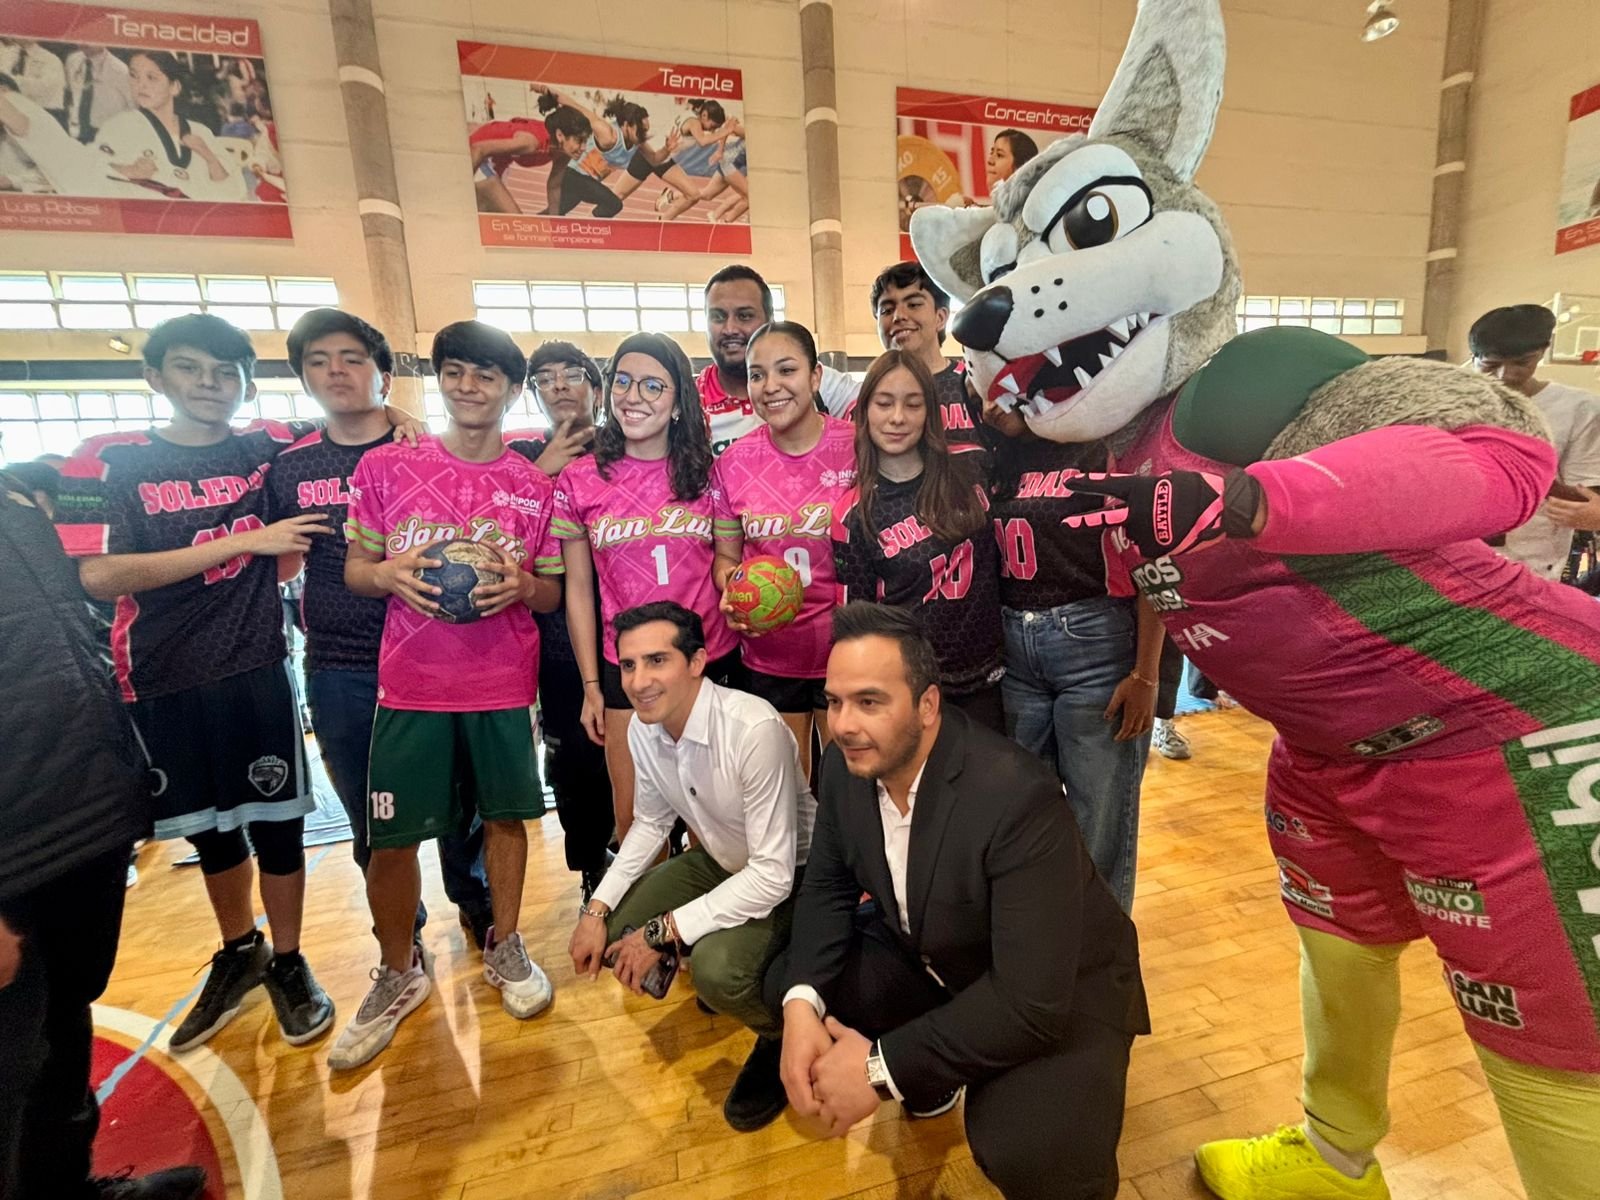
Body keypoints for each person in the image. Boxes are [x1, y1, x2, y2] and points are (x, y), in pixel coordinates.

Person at [53, 314, 360, 1054]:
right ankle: (239, 947)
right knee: (211, 830)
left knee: (278, 825)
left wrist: (410, 418)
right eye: (190, 368)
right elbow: (98, 575)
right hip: (159, 675)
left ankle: (289, 959)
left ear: (246, 383)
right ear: (154, 376)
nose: (210, 385)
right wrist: (248, 538)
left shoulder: (265, 445)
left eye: (226, 373)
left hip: (255, 666)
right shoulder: (102, 460)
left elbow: (356, 422)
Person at [772, 603, 1149, 1200]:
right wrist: (800, 1006)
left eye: (869, 701)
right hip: (944, 955)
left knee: (1029, 1149)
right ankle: (931, 1078)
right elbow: (828, 885)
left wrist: (878, 1070)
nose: (843, 724)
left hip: (1063, 993)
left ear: (927, 705)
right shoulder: (847, 767)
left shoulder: (1016, 795)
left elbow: (1031, 1004)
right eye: (835, 701)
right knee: (789, 981)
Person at [331, 321, 563, 1069]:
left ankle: (507, 943)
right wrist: (386, 574)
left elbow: (552, 593)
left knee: (507, 818)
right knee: (392, 839)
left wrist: (522, 585)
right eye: (455, 372)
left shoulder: (533, 486)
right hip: (411, 684)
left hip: (502, 681)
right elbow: (355, 571)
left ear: (512, 390)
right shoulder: (386, 468)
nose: (469, 387)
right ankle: (397, 970)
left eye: (486, 375)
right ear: (438, 380)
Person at [1, 467, 206, 1200]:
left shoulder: (37, 491)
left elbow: (97, 560)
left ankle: (67, 1186)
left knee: (61, 1024)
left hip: (83, 814)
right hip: (12, 850)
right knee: (10, 1059)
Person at [269, 308, 494, 951]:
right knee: (373, 812)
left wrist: (407, 420)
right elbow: (281, 559)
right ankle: (401, 931)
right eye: (319, 362)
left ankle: (476, 902)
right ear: (303, 378)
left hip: (437, 653)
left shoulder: (424, 451)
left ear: (384, 376)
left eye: (352, 359)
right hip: (343, 663)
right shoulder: (286, 466)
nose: (336, 372)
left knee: (462, 799)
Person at [568, 601, 814, 1132]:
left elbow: (773, 874)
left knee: (717, 972)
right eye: (628, 665)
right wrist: (595, 909)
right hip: (723, 860)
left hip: (798, 877)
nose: (638, 681)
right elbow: (651, 823)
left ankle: (785, 1034)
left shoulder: (753, 728)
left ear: (698, 662)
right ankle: (730, 962)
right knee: (616, 928)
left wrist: (664, 931)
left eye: (657, 661)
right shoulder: (644, 728)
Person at [554, 332, 745, 842]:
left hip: (707, 662)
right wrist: (591, 686)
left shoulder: (710, 476)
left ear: (679, 402)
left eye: (653, 386)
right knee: (636, 824)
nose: (633, 396)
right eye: (623, 381)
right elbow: (578, 590)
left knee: (714, 826)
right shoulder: (579, 480)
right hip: (626, 668)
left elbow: (728, 561)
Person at [983, 389, 1161, 911]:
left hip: (1094, 644)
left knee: (1099, 819)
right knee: (1021, 813)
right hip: (1015, 650)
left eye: (1004, 393)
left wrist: (1147, 674)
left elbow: (1154, 559)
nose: (992, 406)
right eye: (983, 392)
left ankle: (1101, 950)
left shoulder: (1100, 445)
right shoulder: (996, 456)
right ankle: (1043, 936)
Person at [713, 321, 857, 777]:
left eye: (786, 370)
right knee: (785, 788)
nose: (770, 386)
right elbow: (726, 557)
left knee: (849, 787)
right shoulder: (732, 463)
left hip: (848, 648)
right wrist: (732, 589)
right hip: (770, 654)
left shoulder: (857, 447)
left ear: (815, 377)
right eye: (757, 375)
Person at [832, 352, 1004, 729]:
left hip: (988, 679)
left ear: (930, 412)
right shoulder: (853, 513)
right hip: (910, 690)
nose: (898, 418)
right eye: (884, 403)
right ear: (864, 412)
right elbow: (858, 624)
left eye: (913, 404)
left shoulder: (972, 464)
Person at [508, 340, 614, 900]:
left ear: (596, 388)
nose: (559, 386)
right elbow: (489, 529)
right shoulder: (520, 457)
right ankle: (591, 865)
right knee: (575, 757)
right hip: (555, 633)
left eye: (572, 374)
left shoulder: (626, 445)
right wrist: (540, 472)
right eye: (545, 378)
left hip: (629, 619)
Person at [1470, 304, 1600, 581]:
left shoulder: (1579, 408)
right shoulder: (1449, 403)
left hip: (1532, 563)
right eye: (1490, 365)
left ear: (1542, 353)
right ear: (1473, 359)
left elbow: (1584, 496)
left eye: (1521, 363)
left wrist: (1591, 513)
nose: (1504, 376)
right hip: (1454, 554)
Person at [697, 266, 858, 455]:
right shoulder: (690, 403)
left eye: (745, 316)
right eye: (718, 317)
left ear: (770, 321)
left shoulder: (816, 381)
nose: (730, 329)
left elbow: (875, 410)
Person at [93, 51, 243, 202]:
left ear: (174, 87)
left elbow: (235, 192)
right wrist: (128, 171)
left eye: (151, 77)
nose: (140, 85)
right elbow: (92, 169)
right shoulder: (119, 125)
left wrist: (209, 157)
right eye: (134, 76)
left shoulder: (201, 132)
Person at [870, 262, 985, 454]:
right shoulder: (868, 397)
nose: (898, 316)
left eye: (913, 305)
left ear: (940, 318)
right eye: (887, 310)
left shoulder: (976, 385)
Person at [532, 84, 624, 217]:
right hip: (575, 174)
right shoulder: (606, 131)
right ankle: (589, 225)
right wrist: (546, 90)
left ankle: (535, 221)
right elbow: (573, 105)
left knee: (558, 211)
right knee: (613, 204)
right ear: (628, 126)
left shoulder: (634, 148)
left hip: (579, 178)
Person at [63, 44, 134, 144]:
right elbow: (69, 93)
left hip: (107, 133)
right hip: (76, 130)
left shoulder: (120, 70)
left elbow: (133, 107)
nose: (84, 42)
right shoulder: (72, 60)